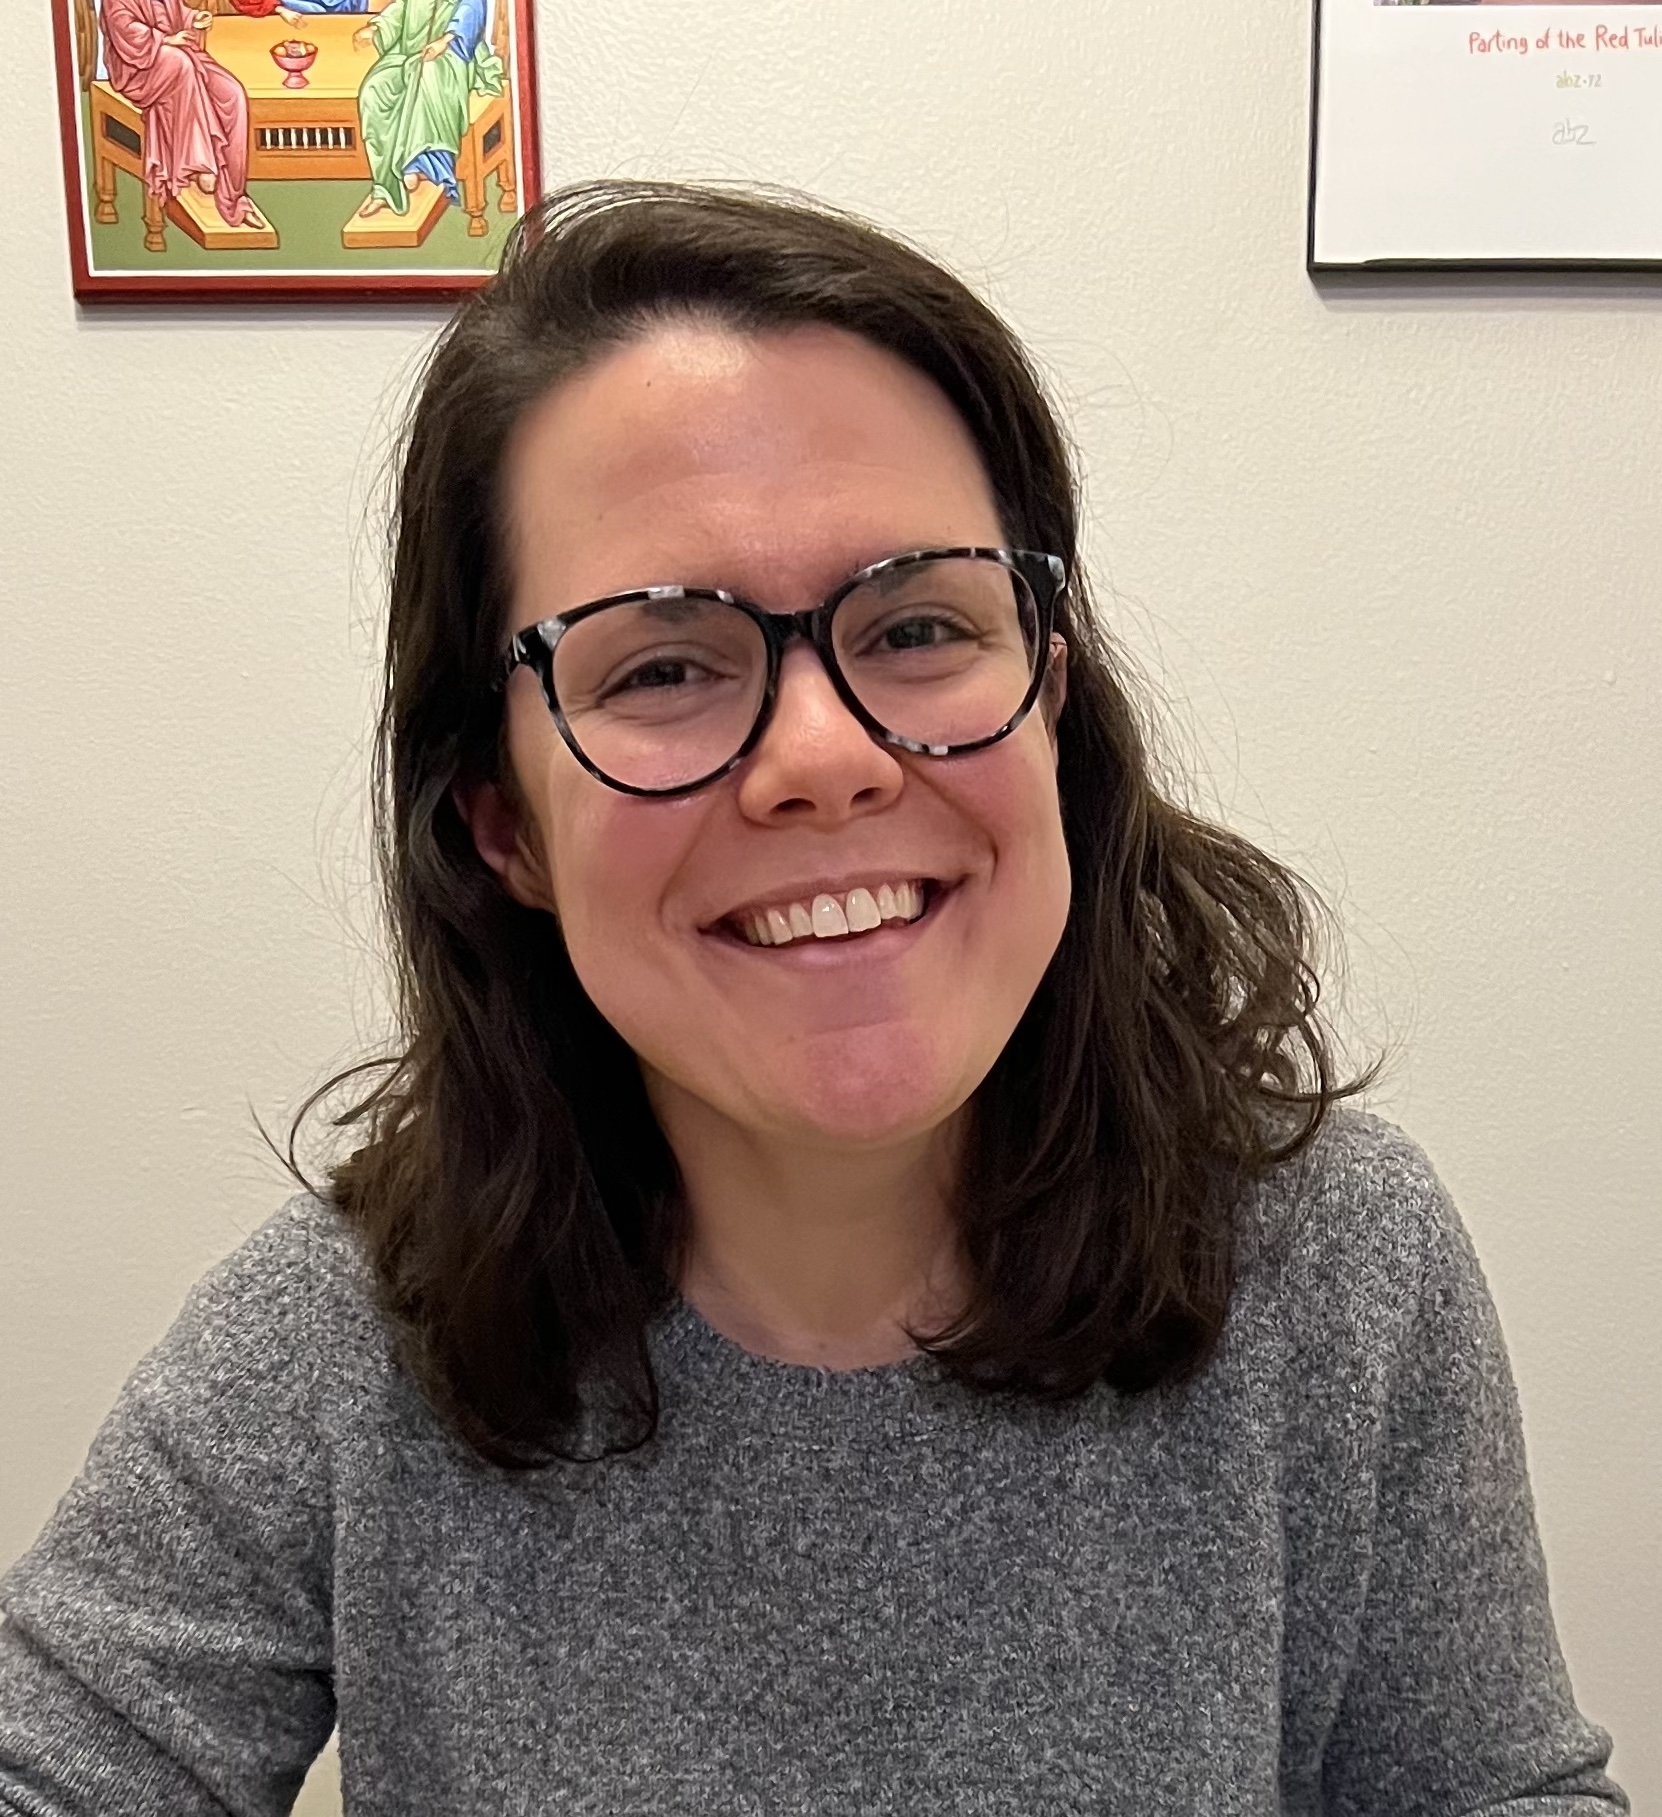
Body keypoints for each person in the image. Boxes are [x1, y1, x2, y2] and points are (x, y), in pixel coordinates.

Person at [0, 181, 1627, 1813]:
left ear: (1048, 700)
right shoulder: (346, 1334)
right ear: (503, 824)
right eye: (657, 666)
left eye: (918, 624)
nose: (824, 760)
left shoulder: (1335, 1268)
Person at [99, 0, 266, 231]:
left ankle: (234, 198)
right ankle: (201, 165)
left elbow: (173, 10)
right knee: (181, 65)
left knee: (232, 93)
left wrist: (192, 19)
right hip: (138, 70)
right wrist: (164, 40)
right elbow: (124, 29)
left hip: (180, 53)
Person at [349, 0, 503, 221]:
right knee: (375, 88)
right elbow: (403, 7)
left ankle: (421, 164)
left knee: (426, 75)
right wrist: (377, 27)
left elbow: (472, 9)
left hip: (453, 53)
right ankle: (385, 185)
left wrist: (446, 40)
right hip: (406, 51)